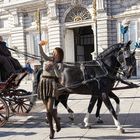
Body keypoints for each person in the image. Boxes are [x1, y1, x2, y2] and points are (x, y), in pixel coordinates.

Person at [38, 41, 64, 139]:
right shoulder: (48, 59)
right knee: (47, 111)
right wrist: (40, 45)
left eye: (55, 53)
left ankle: (57, 122)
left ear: (59, 55)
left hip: (52, 84)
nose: (53, 54)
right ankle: (51, 130)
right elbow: (42, 54)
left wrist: (54, 66)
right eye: (53, 52)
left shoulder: (60, 64)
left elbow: (59, 76)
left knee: (49, 108)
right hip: (43, 82)